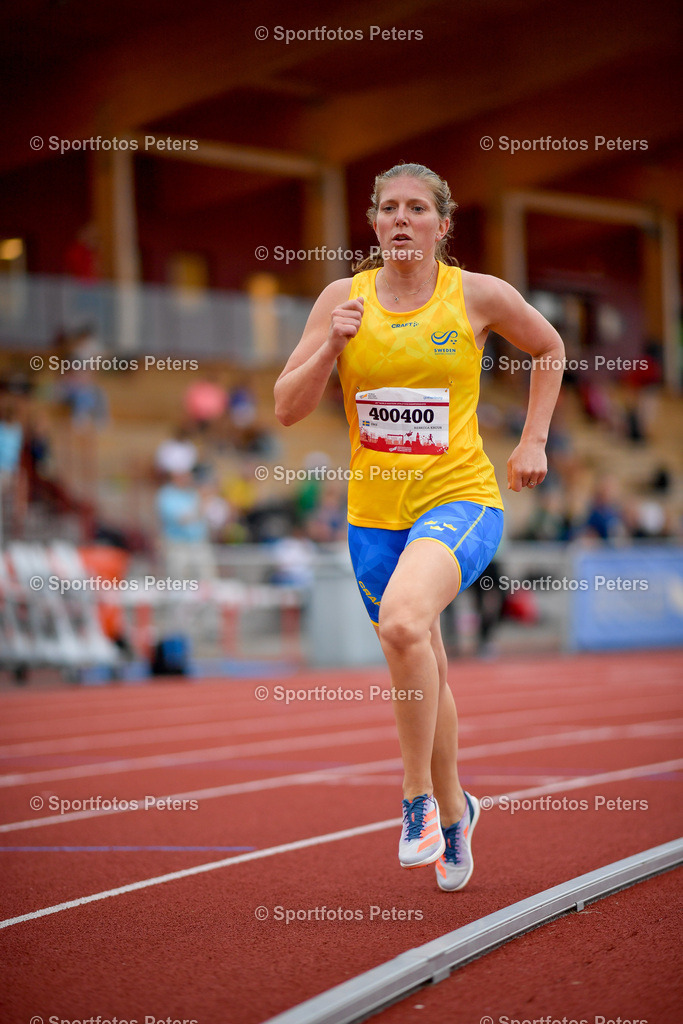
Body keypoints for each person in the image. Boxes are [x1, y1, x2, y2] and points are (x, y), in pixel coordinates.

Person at [274, 162, 564, 891]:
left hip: (459, 499)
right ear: (373, 223)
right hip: (374, 516)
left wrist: (531, 440)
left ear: (442, 224)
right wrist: (330, 347)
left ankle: (416, 802)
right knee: (420, 657)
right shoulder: (342, 299)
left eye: (417, 209)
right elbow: (285, 407)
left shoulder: (477, 294)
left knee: (404, 626)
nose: (401, 220)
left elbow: (550, 348)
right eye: (389, 209)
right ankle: (460, 809)